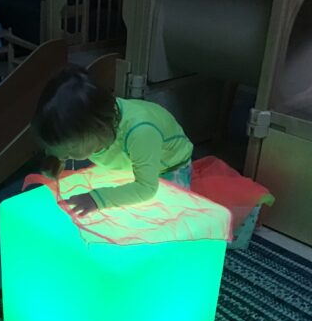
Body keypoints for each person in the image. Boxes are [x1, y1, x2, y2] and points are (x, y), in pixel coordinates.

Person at [32, 65, 193, 216]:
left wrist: (97, 199)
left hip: (169, 167)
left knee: (164, 214)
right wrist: (55, 160)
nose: (64, 155)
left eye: (69, 150)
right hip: (129, 160)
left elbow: (146, 188)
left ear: (97, 128)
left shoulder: (141, 132)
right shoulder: (94, 122)